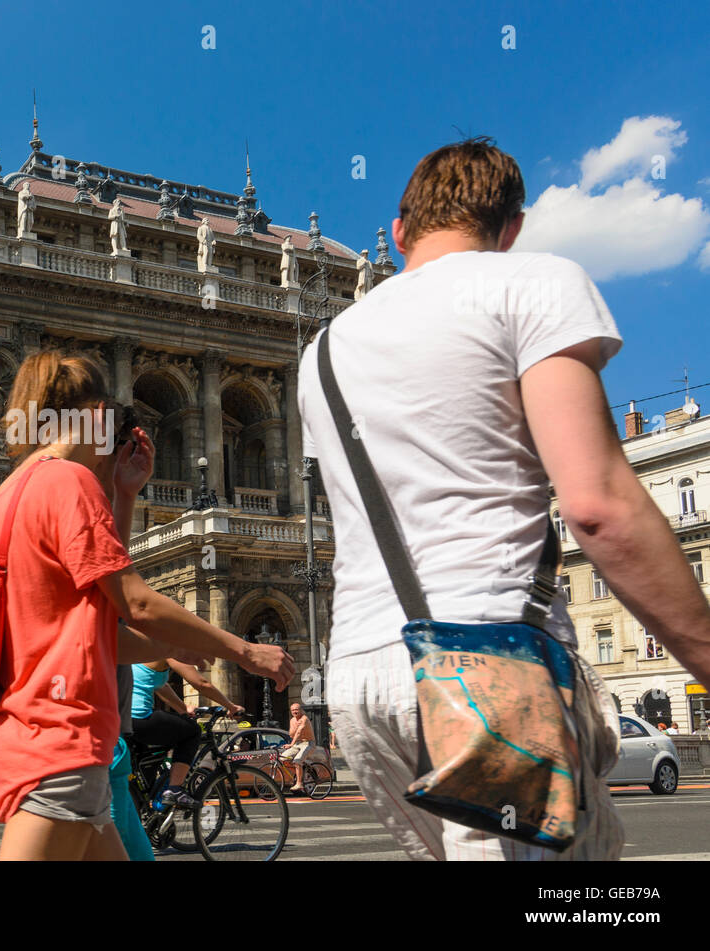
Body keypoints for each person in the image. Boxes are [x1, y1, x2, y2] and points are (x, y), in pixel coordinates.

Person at [299, 136, 710, 861]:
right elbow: (598, 504)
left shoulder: (323, 348)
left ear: (399, 233)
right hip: (489, 655)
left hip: (360, 675)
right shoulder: (533, 283)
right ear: (511, 229)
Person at [0, 351, 293, 861]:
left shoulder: (10, 494)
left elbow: (94, 617)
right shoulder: (68, 482)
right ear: (94, 413)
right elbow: (136, 602)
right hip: (63, 733)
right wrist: (244, 651)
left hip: (35, 726)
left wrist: (124, 496)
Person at [129, 659, 242, 809]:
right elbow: (202, 683)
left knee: (145, 768)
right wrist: (231, 706)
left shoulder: (144, 651)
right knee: (192, 731)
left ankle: (147, 809)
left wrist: (183, 708)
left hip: (121, 719)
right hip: (139, 717)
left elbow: (161, 686)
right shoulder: (170, 648)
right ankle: (174, 790)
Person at [282, 702, 315, 794]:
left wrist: (291, 744)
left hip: (308, 743)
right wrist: (294, 729)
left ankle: (299, 783)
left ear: (301, 710)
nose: (295, 711)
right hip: (297, 744)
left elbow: (299, 732)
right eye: (293, 710)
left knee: (297, 761)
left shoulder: (305, 719)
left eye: (296, 709)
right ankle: (300, 771)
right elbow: (292, 733)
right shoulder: (292, 720)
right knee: (282, 759)